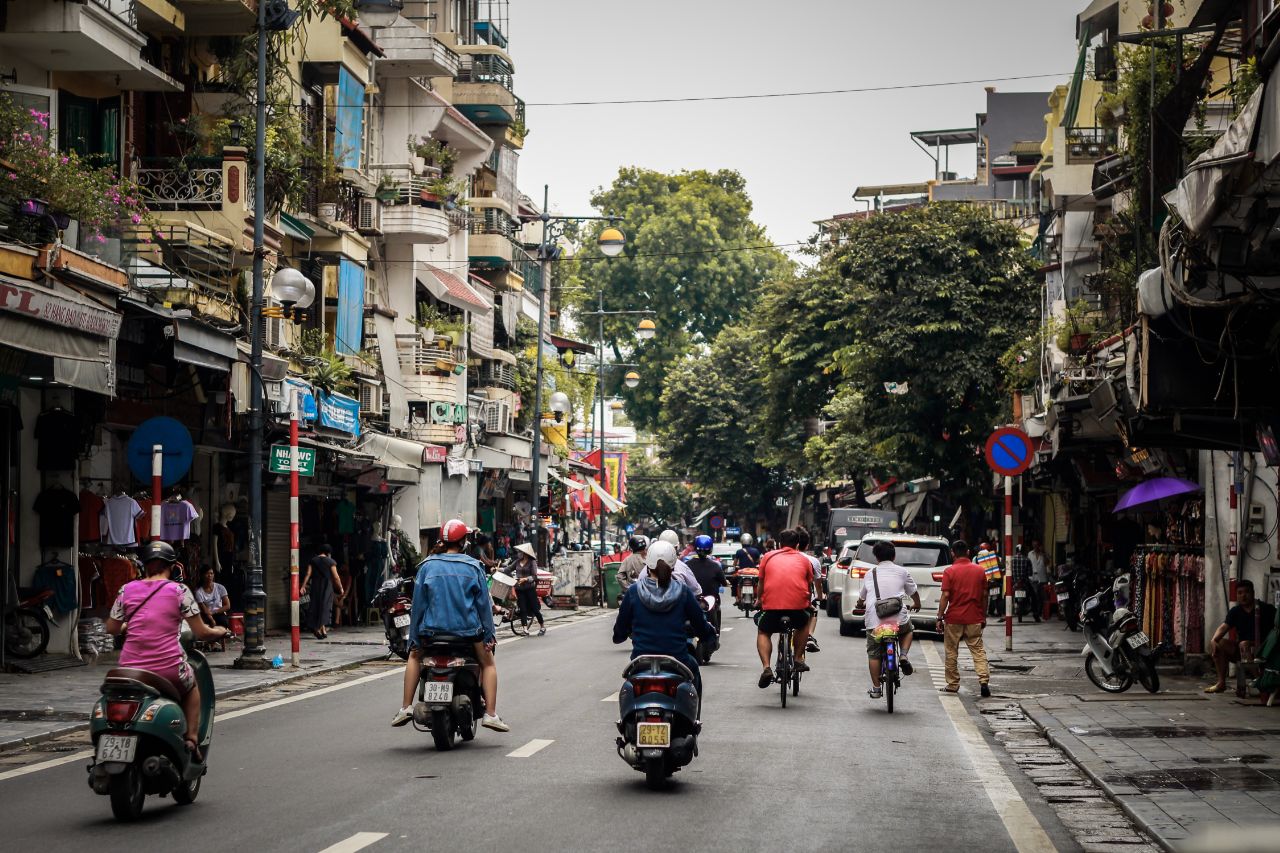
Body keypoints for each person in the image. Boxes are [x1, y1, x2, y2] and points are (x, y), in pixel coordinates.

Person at [105, 542, 229, 759]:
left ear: (144, 566)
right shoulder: (180, 591)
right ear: (171, 567)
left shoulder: (127, 589)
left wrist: (127, 626)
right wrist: (219, 630)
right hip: (168, 668)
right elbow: (201, 633)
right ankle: (191, 738)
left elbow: (112, 628)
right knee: (191, 689)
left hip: (129, 669)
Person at [392, 519, 508, 732]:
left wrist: (415, 637)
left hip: (431, 632)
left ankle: (406, 707)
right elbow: (484, 606)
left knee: (415, 656)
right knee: (488, 663)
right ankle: (491, 714)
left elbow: (418, 606)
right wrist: (489, 635)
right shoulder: (474, 567)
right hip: (467, 633)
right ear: (464, 541)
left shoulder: (427, 566)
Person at [612, 539, 715, 698]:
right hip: (678, 660)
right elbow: (700, 624)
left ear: (648, 565)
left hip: (641, 661)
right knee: (694, 669)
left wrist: (620, 635)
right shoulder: (683, 592)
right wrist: (708, 635)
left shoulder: (633, 592)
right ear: (674, 565)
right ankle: (695, 720)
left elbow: (619, 630)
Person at [856, 540, 921, 699]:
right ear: (894, 556)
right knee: (908, 630)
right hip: (898, 618)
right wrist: (917, 604)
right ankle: (903, 655)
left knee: (874, 654)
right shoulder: (902, 572)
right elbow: (913, 592)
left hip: (875, 619)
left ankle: (876, 689)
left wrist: (859, 604)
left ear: (876, 558)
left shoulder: (870, 573)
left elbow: (862, 597)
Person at [755, 529, 815, 688]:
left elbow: (761, 583)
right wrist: (808, 603)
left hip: (772, 608)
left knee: (763, 632)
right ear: (797, 544)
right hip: (797, 607)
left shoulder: (768, 557)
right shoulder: (804, 560)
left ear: (779, 543)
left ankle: (766, 667)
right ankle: (797, 659)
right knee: (803, 624)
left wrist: (758, 600)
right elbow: (808, 585)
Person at [936, 540, 991, 697]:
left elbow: (946, 595)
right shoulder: (980, 571)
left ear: (953, 553)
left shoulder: (949, 572)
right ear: (968, 552)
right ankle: (983, 681)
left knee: (951, 651)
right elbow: (985, 595)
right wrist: (983, 615)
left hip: (954, 618)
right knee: (978, 650)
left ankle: (953, 684)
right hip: (974, 617)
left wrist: (940, 617)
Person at [1205, 579, 1278, 694]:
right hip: (1242, 650)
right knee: (1219, 644)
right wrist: (1214, 640)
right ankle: (1221, 683)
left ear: (1253, 593)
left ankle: (1261, 682)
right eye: (1240, 593)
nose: (1243, 596)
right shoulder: (1235, 611)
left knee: (1244, 644)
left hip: (1263, 649)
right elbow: (1224, 627)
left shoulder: (1266, 609)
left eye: (1246, 592)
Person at [685, 535, 727, 635]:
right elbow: (724, 582)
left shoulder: (687, 565)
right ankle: (716, 632)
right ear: (711, 549)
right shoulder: (715, 566)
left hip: (692, 600)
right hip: (710, 602)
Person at [301, 543, 345, 640]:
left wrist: (303, 586)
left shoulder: (313, 560)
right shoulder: (331, 562)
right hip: (326, 586)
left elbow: (308, 574)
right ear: (328, 553)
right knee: (325, 607)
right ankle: (317, 628)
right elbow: (336, 577)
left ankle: (322, 629)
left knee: (315, 606)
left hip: (315, 585)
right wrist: (341, 588)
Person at [796, 526, 823, 653]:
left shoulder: (778, 558)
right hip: (804, 600)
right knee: (813, 611)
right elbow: (818, 583)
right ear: (807, 545)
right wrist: (820, 596)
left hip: (779, 601)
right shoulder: (813, 561)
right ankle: (810, 635)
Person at [511, 542, 545, 635]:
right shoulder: (517, 561)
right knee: (523, 609)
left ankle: (542, 626)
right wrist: (497, 569)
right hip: (519, 589)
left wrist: (525, 579)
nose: (518, 553)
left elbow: (534, 576)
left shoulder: (532, 562)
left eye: (520, 551)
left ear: (525, 552)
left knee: (534, 608)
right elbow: (508, 569)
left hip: (530, 589)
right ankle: (525, 629)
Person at [193, 566, 231, 633]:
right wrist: (212, 620)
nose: (209, 575)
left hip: (219, 612)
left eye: (211, 573)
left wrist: (215, 612)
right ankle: (211, 641)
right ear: (202, 576)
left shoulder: (220, 587)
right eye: (207, 574)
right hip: (206, 615)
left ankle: (220, 637)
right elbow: (204, 610)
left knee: (224, 622)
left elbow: (227, 606)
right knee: (207, 625)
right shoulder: (198, 592)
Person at [1009, 544, 1041, 623]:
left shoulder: (1011, 560)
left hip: (1015, 584)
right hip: (1025, 583)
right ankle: (1036, 615)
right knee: (1034, 597)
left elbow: (1009, 573)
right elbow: (1030, 574)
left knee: (1008, 596)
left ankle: (1007, 610)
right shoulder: (1027, 560)